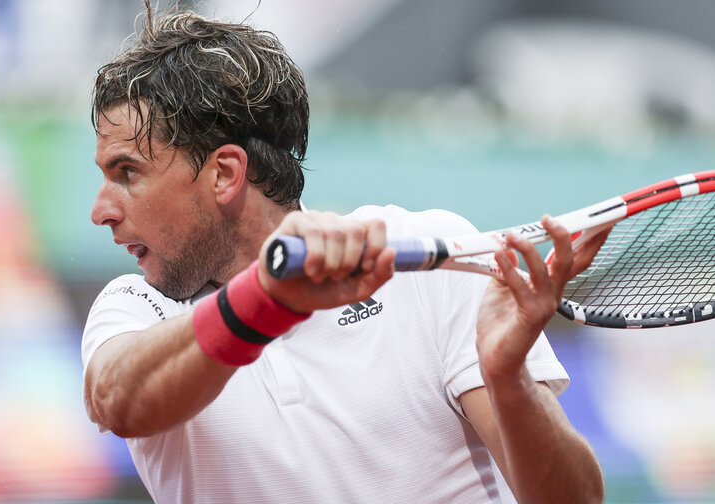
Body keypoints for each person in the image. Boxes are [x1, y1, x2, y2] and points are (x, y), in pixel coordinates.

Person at [82, 4, 606, 503]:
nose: (100, 211)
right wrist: (268, 297)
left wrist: (509, 378)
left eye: (127, 172)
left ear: (224, 173)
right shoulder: (133, 307)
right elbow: (117, 400)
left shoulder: (428, 253)